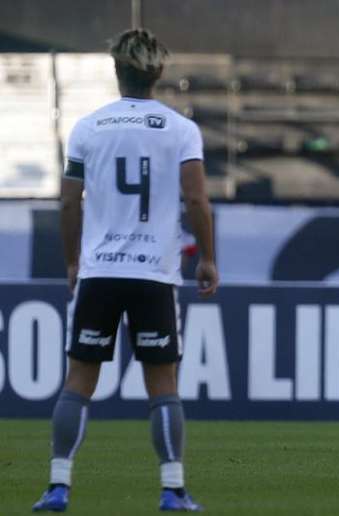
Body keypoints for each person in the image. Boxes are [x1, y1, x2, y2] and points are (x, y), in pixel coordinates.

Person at [33, 29, 218, 512]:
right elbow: (196, 198)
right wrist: (208, 258)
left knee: (78, 381)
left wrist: (74, 261)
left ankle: (57, 486)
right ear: (158, 73)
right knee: (163, 386)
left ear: (117, 71)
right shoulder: (180, 129)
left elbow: (69, 202)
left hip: (100, 271)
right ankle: (173, 490)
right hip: (154, 273)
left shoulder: (88, 128)